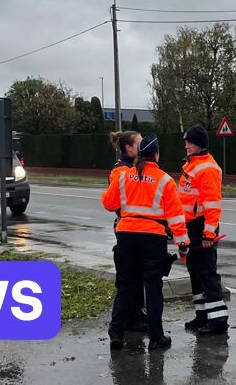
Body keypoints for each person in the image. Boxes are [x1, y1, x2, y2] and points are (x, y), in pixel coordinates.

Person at [102, 133, 189, 351]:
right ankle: (156, 338)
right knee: (152, 286)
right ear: (157, 155)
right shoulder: (165, 180)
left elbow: (108, 202)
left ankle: (116, 334)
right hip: (153, 238)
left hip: (126, 235)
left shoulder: (124, 175)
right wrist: (183, 242)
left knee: (124, 285)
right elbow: (176, 217)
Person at [178, 125, 229, 335]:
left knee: (207, 273)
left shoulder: (207, 168)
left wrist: (209, 234)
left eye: (189, 142)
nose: (186, 145)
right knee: (195, 271)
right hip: (191, 227)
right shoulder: (192, 165)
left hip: (202, 227)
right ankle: (202, 315)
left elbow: (212, 204)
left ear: (199, 144)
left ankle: (218, 320)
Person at [108, 130, 147, 332]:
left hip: (135, 227)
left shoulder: (133, 166)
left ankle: (137, 313)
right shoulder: (121, 170)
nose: (143, 146)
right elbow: (115, 201)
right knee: (130, 275)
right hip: (127, 227)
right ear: (128, 148)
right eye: (139, 143)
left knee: (138, 274)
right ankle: (130, 318)